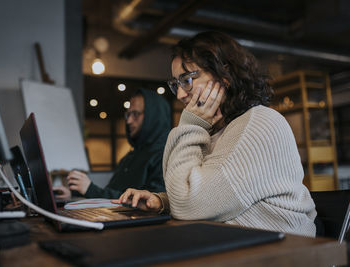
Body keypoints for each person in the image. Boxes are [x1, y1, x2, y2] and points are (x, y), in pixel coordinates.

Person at [115, 31, 317, 237]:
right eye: (176, 84)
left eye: (187, 79)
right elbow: (210, 200)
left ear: (224, 76)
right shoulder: (213, 131)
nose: (181, 94)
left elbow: (190, 205)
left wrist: (190, 124)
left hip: (287, 247)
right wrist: (163, 202)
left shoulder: (259, 123)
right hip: (240, 241)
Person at [54, 88, 171, 199]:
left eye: (135, 114)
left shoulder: (164, 156)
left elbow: (151, 204)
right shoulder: (128, 158)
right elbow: (111, 194)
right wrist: (74, 193)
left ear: (154, 116)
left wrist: (90, 190)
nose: (129, 121)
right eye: (128, 115)